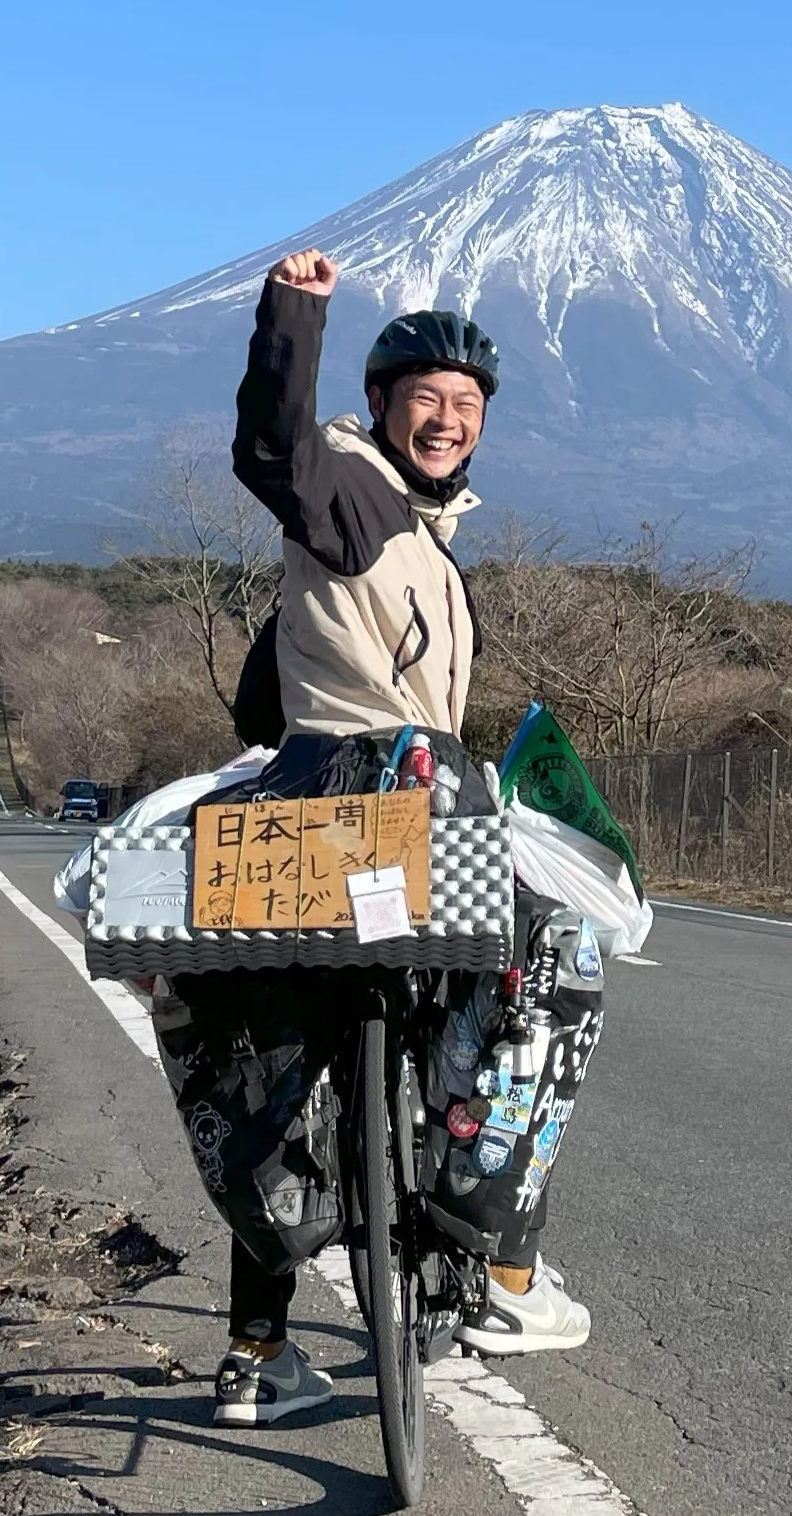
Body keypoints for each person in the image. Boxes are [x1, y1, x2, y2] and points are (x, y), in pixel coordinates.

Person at [159, 246, 601, 1429]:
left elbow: (267, 694)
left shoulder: (415, 539)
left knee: (286, 1065)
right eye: (428, 399)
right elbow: (272, 445)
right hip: (384, 812)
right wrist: (294, 314)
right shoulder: (348, 486)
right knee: (543, 963)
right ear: (381, 402)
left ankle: (256, 1350)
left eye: (467, 408)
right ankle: (498, 1264)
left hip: (310, 814)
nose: (448, 419)